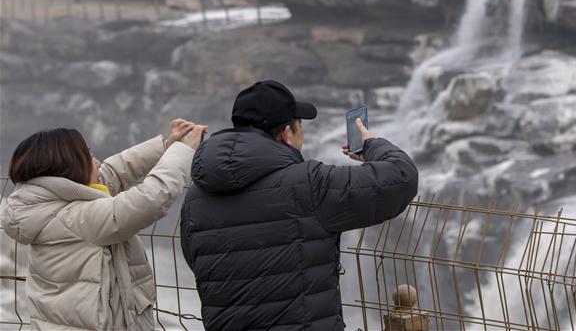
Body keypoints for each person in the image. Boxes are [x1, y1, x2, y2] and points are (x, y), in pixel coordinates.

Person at [180, 80, 419, 331]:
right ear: (287, 133)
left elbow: (198, 261)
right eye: (300, 126)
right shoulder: (309, 185)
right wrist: (372, 146)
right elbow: (401, 178)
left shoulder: (195, 198)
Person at [1, 119, 206, 330]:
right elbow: (148, 201)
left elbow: (111, 173)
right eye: (88, 155)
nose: (97, 162)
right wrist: (182, 152)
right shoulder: (75, 218)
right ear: (69, 168)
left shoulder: (45, 206)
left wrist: (164, 147)